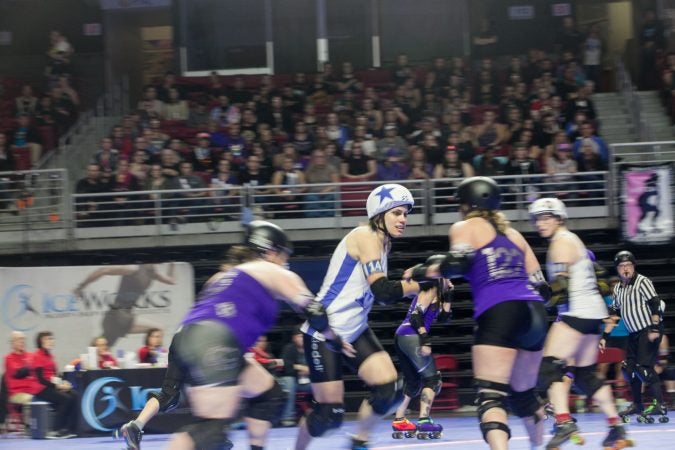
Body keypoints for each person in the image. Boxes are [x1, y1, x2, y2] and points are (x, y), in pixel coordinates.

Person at [120, 221, 352, 450]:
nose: (286, 262)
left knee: (268, 394)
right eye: (284, 256)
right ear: (271, 252)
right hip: (215, 341)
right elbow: (315, 312)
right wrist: (335, 339)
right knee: (211, 431)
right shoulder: (272, 270)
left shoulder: (222, 276)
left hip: (187, 338)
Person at [406, 176, 549, 450]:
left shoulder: (465, 226)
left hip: (500, 310)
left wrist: (423, 271)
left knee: (491, 397)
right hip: (535, 313)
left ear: (466, 204)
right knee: (525, 397)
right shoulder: (514, 235)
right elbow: (542, 288)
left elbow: (458, 264)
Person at [294, 183, 424, 450]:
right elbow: (383, 292)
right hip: (325, 332)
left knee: (389, 391)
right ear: (379, 213)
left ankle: (359, 442)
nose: (403, 220)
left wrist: (417, 280)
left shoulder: (382, 242)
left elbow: (383, 291)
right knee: (328, 416)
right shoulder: (365, 236)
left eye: (405, 214)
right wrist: (421, 286)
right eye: (397, 213)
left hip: (355, 330)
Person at [529, 198, 631, 449]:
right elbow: (599, 278)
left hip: (576, 313)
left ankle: (564, 422)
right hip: (592, 315)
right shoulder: (573, 240)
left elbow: (559, 291)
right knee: (585, 377)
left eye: (546, 218)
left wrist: (532, 291)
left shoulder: (561, 242)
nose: (540, 224)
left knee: (548, 367)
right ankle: (615, 427)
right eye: (537, 219)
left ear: (559, 219)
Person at [601, 250, 668, 423]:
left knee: (643, 367)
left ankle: (659, 404)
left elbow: (655, 304)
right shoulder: (617, 288)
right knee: (627, 369)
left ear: (633, 266)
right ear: (617, 269)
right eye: (622, 266)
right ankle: (637, 405)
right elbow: (614, 314)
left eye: (628, 265)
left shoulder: (642, 281)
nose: (625, 269)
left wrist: (654, 327)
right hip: (633, 334)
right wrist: (604, 336)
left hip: (648, 330)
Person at [391, 281, 453, 440]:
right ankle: (424, 420)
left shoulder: (439, 294)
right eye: (448, 278)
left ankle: (400, 419)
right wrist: (425, 340)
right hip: (411, 335)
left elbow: (444, 320)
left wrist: (448, 296)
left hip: (403, 336)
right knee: (432, 379)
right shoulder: (431, 288)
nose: (451, 281)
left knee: (413, 381)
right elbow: (415, 315)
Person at [73, 263, 176, 347]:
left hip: (117, 317)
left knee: (102, 349)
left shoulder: (153, 274)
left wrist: (172, 264)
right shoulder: (133, 269)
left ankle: (84, 362)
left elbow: (171, 281)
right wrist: (80, 286)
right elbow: (103, 270)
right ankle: (150, 355)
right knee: (158, 329)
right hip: (119, 314)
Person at [31, 331, 79, 438]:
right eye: (47, 339)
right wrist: (58, 386)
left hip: (52, 386)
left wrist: (63, 383)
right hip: (41, 389)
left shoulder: (50, 356)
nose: (50, 341)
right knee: (66, 399)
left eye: (51, 339)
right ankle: (56, 430)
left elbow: (54, 375)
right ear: (41, 341)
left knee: (75, 395)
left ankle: (70, 429)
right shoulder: (37, 356)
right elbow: (41, 379)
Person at [279, 327, 313, 427]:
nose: (302, 339)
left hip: (308, 381)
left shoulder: (312, 348)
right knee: (289, 382)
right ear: (294, 338)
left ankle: (321, 414)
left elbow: (318, 367)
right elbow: (286, 368)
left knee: (321, 385)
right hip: (293, 381)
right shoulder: (289, 349)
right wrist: (301, 368)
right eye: (299, 337)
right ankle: (287, 417)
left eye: (303, 336)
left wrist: (299, 368)